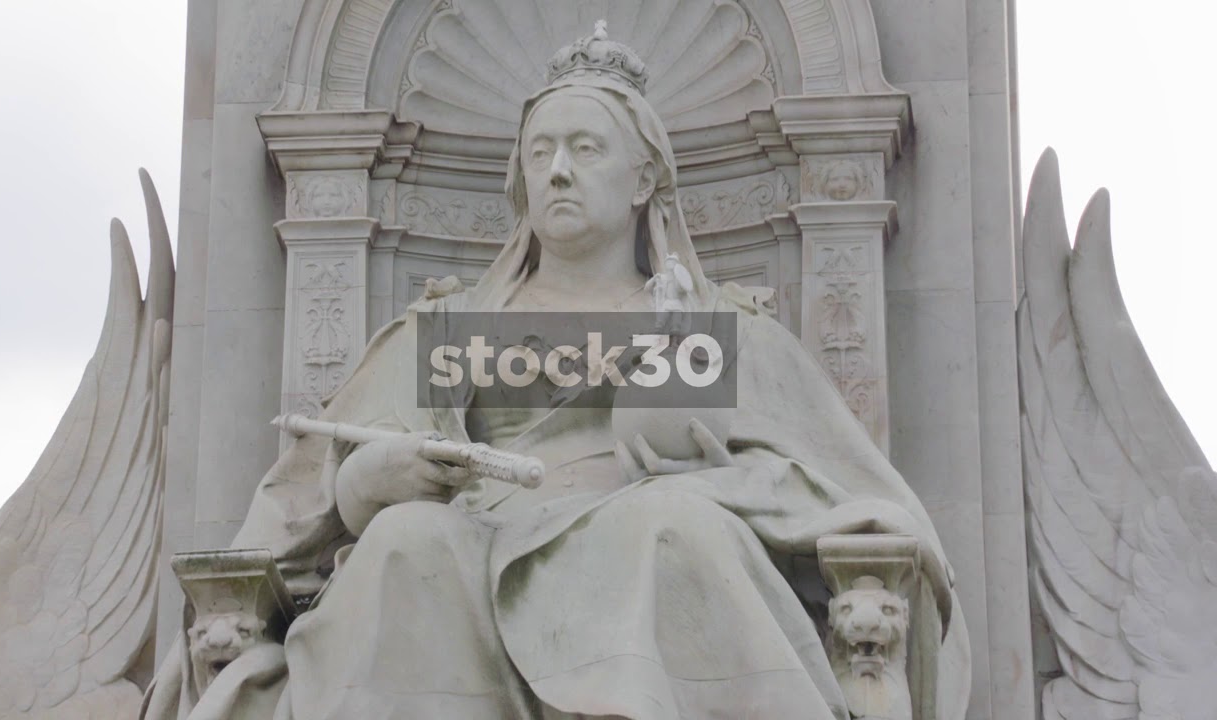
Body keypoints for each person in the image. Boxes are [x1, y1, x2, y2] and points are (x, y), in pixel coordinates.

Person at [144, 25, 968, 720]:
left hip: (637, 533)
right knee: (401, 542)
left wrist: (689, 466)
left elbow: (828, 482)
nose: (558, 171)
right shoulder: (443, 326)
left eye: (584, 148)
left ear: (644, 178)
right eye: (540, 151)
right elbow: (307, 498)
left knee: (674, 526)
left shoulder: (704, 324)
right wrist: (373, 478)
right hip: (467, 539)